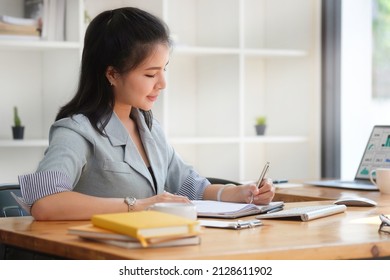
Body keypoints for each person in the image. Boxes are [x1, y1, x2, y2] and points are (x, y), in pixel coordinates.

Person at [18, 7, 275, 221]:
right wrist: (138, 204)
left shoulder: (148, 128)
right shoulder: (75, 131)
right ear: (112, 74)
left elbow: (192, 186)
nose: (162, 83)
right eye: (150, 74)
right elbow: (45, 202)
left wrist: (241, 193)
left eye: (164, 70)